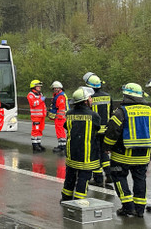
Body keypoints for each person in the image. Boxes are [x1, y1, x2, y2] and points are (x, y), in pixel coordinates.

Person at [103, 83, 151, 217]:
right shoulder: (149, 111)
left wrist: (106, 147)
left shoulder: (121, 112)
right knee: (140, 180)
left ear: (126, 95)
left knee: (118, 177)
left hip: (122, 156)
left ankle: (128, 207)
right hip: (143, 155)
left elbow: (112, 133)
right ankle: (140, 209)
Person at [60, 86, 100, 201]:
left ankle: (65, 199)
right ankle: (79, 201)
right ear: (85, 101)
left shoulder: (69, 114)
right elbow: (98, 131)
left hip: (72, 153)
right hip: (86, 156)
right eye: (90, 98)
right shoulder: (94, 116)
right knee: (83, 179)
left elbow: (66, 126)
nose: (92, 100)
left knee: (70, 178)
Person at [83, 72, 113, 188]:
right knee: (104, 153)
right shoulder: (108, 96)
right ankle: (109, 174)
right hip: (106, 130)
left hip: (94, 130)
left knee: (95, 155)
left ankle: (98, 178)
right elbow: (110, 113)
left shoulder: (89, 98)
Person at [47, 81, 68, 154]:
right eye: (54, 88)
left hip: (60, 117)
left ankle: (62, 146)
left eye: (56, 88)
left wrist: (57, 115)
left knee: (61, 132)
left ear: (60, 88)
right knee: (59, 132)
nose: (55, 89)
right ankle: (61, 145)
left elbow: (61, 108)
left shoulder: (60, 96)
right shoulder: (58, 95)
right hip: (59, 117)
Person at [27, 80, 47, 152]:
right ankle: (35, 145)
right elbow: (33, 104)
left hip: (41, 116)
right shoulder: (30, 95)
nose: (39, 87)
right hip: (36, 116)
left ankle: (38, 143)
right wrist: (41, 100)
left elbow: (42, 105)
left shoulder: (39, 94)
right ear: (34, 87)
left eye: (40, 86)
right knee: (35, 130)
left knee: (40, 130)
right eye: (38, 86)